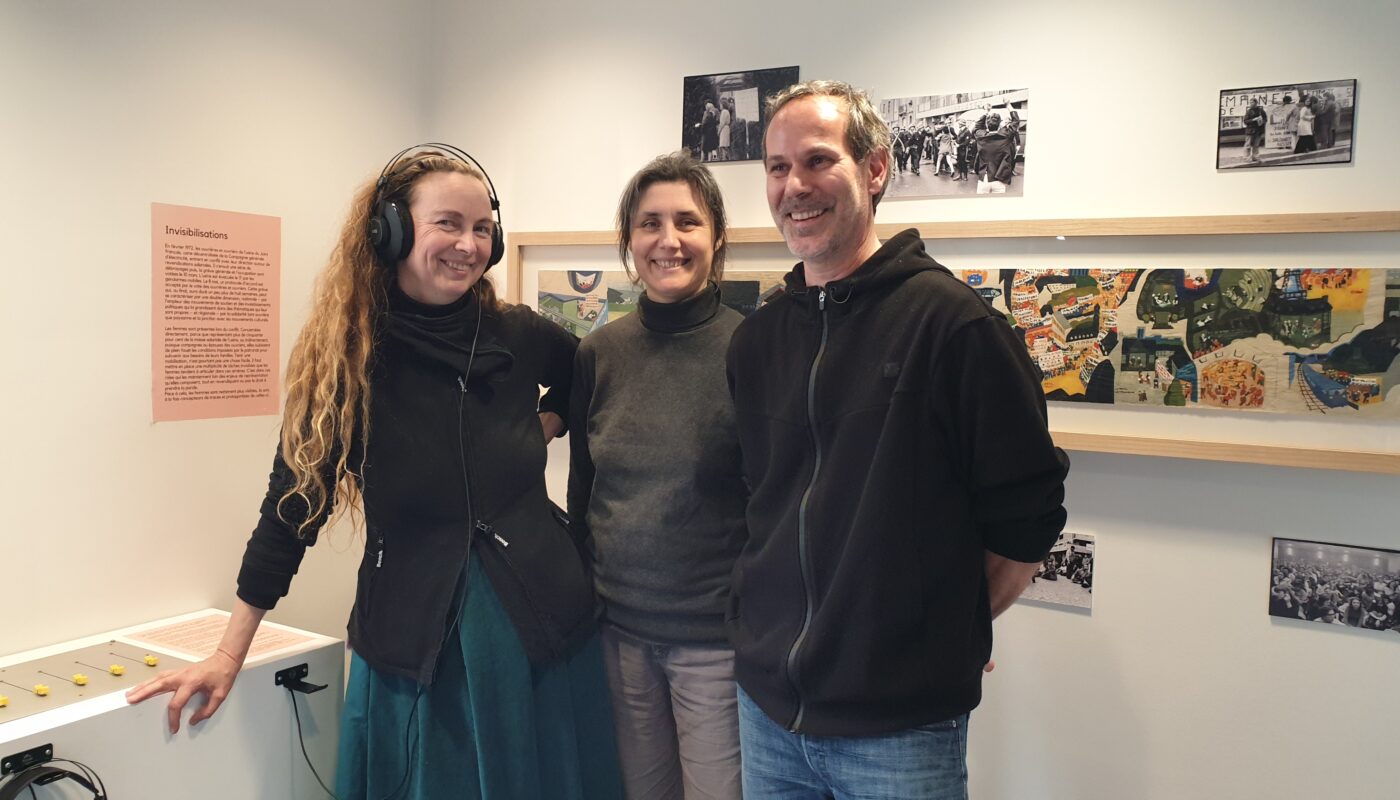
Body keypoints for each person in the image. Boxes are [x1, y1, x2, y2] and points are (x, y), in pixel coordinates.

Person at [127, 145, 623, 799]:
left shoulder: (517, 333)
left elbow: (587, 380)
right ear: (389, 228)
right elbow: (291, 507)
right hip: (413, 640)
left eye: (481, 229)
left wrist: (547, 422)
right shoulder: (347, 359)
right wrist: (229, 652)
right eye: (448, 223)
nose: (468, 245)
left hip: (538, 626)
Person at [727, 80, 1069, 798]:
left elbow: (1028, 519)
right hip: (767, 713)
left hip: (898, 731)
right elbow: (759, 505)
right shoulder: (758, 340)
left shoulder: (953, 327)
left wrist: (945, 623)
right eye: (778, 167)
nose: (795, 186)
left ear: (875, 170)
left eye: (818, 161)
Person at [569, 151, 746, 800]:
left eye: (687, 222)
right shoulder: (599, 353)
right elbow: (584, 492)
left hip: (716, 644)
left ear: (716, 238)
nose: (668, 241)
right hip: (619, 636)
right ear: (628, 242)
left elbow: (773, 502)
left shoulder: (749, 351)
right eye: (649, 224)